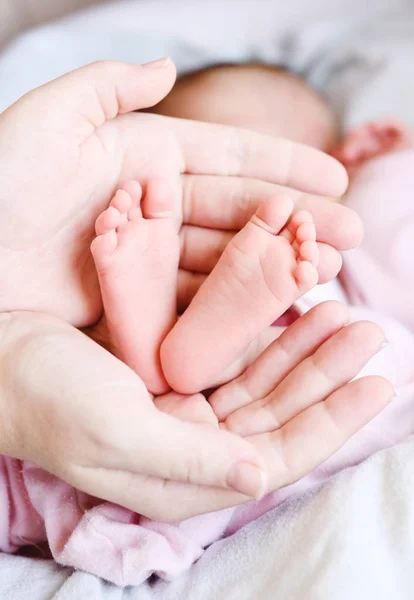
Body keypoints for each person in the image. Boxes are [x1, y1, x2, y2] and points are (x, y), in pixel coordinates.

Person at [0, 58, 393, 525]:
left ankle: (158, 345)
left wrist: (391, 159)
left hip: (107, 408)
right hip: (229, 390)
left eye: (253, 179)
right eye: (193, 174)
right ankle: (171, 341)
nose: (222, 195)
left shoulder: (351, 236)